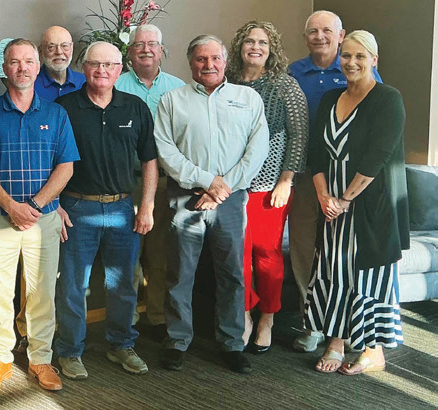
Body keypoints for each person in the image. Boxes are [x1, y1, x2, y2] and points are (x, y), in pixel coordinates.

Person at [0, 38, 78, 392]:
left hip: (43, 220)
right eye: (15, 62)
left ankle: (41, 359)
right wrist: (11, 206)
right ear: (5, 69)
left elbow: (66, 167)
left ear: (37, 66)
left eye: (29, 61)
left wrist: (36, 205)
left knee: (42, 292)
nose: (23, 68)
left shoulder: (56, 114)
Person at [154, 35, 269, 374]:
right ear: (191, 64)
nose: (208, 65)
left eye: (214, 58)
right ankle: (177, 340)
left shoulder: (248, 98)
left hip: (231, 200)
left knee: (232, 273)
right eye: (201, 59)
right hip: (185, 196)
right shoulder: (172, 100)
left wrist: (223, 187)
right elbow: (166, 151)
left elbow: (257, 149)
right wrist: (208, 181)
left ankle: (232, 343)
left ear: (224, 61)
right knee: (180, 272)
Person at [304, 30, 407, 375]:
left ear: (374, 61)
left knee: (366, 274)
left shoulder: (388, 99)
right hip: (330, 205)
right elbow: (315, 153)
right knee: (332, 269)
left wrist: (345, 199)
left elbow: (378, 156)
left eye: (360, 56)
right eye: (346, 56)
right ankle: (335, 341)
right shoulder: (332, 97)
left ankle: (371, 349)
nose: (352, 62)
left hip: (368, 205)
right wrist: (324, 196)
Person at [54, 41, 158, 379]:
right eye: (95, 64)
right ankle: (69, 351)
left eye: (110, 65)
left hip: (122, 209)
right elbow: (49, 162)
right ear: (83, 69)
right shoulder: (64, 108)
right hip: (75, 207)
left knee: (123, 283)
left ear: (120, 70)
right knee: (72, 285)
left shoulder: (135, 107)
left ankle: (121, 345)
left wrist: (148, 206)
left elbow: (150, 161)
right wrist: (54, 205)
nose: (102, 71)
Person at [287, 10, 382, 353]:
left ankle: (346, 327)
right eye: (312, 30)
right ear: (305, 37)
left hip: (350, 182)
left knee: (343, 255)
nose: (319, 36)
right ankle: (310, 322)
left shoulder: (361, 69)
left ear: (340, 35)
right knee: (303, 248)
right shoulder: (294, 73)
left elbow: (379, 129)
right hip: (307, 174)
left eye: (327, 30)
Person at [224, 21, 308, 352]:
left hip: (269, 184)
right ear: (239, 47)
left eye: (262, 42)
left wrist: (286, 180)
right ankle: (243, 314)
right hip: (232, 185)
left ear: (271, 49)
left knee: (266, 254)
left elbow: (299, 136)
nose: (255, 47)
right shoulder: (226, 83)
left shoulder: (285, 86)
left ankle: (268, 317)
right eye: (249, 41)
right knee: (237, 255)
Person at [114, 23, 186, 337]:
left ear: (161, 50)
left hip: (166, 184)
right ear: (129, 52)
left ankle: (156, 315)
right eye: (139, 44)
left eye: (152, 44)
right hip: (126, 183)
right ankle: (126, 317)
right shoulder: (115, 85)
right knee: (128, 256)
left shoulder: (179, 88)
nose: (146, 49)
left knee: (160, 255)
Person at [35, 26, 86, 100]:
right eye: (51, 47)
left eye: (64, 46)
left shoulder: (84, 82)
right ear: (41, 50)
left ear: (71, 48)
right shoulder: (31, 84)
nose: (59, 52)